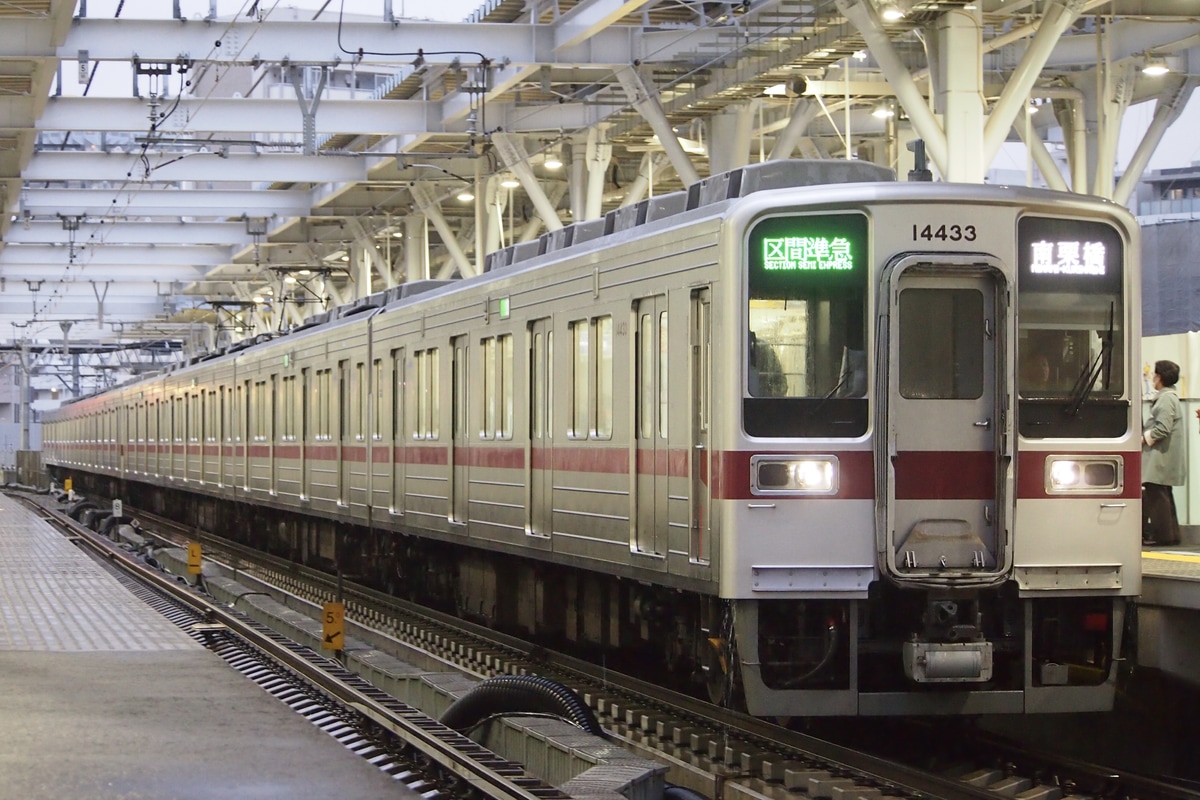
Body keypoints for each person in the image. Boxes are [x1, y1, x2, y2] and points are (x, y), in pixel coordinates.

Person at [1142, 359, 1184, 546]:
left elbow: (1163, 428)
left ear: (1160, 377)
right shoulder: (1169, 397)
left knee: (1156, 494)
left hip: (1160, 456)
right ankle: (1171, 535)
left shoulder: (1166, 399)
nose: (1153, 378)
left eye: (1155, 374)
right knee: (1164, 494)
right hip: (1164, 456)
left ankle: (1164, 537)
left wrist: (1143, 438)